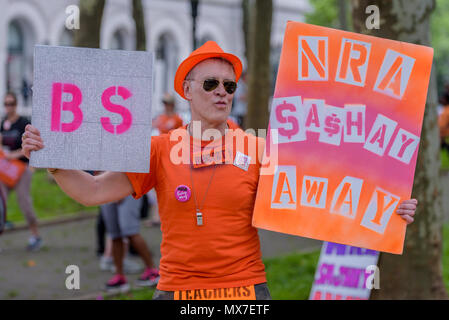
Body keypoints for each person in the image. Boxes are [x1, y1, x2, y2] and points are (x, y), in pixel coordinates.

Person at [21, 41, 418, 300]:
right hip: (177, 292)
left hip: (245, 293)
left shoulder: (259, 148)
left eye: (229, 86)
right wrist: (51, 158)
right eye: (211, 83)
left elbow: (319, 203)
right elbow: (91, 192)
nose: (221, 92)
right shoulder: (159, 147)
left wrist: (385, 209)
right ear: (186, 90)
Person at [1, 92, 42, 251]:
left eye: (11, 103)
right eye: (6, 103)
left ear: (16, 104)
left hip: (21, 169)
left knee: (24, 202)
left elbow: (29, 145)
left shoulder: (23, 123)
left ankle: (35, 236)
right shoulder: (4, 123)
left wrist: (13, 155)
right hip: (5, 171)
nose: (8, 106)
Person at [100, 195, 159, 293]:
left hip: (127, 192)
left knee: (130, 232)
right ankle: (120, 277)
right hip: (106, 193)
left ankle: (153, 271)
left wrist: (120, 191)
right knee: (114, 235)